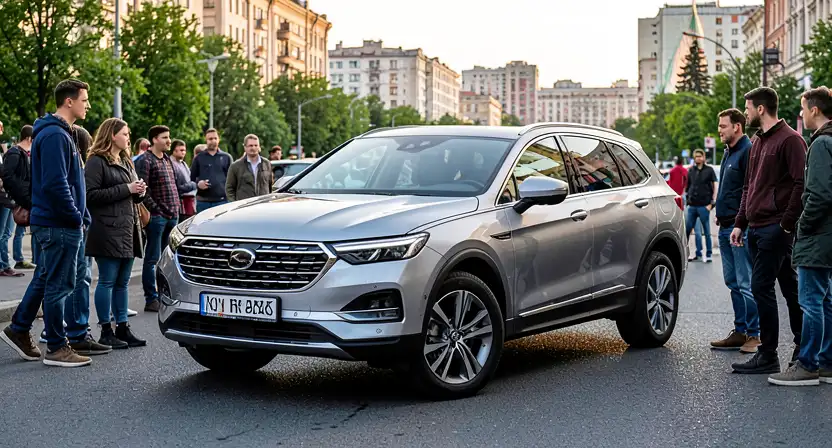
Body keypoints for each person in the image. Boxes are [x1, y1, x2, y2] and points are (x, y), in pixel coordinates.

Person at [1, 78, 112, 368]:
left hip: (59, 221)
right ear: (69, 101)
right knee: (59, 284)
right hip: (59, 223)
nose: (88, 105)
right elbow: (55, 184)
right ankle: (57, 347)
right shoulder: (54, 135)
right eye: (84, 100)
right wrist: (75, 216)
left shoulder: (61, 133)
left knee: (45, 278)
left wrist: (80, 215)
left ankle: (19, 328)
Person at [730, 87, 806, 375]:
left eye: (748, 108)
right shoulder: (757, 141)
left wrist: (786, 224)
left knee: (761, 286)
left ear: (760, 109)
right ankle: (802, 346)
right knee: (789, 287)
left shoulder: (791, 140)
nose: (746, 113)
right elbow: (749, 186)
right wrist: (740, 222)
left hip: (775, 227)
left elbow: (800, 184)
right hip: (756, 227)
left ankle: (768, 354)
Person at [768, 86, 832, 386]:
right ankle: (827, 363)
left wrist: (801, 225)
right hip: (827, 235)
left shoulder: (820, 144)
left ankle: (807, 365)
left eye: (803, 108)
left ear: (814, 110)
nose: (801, 113)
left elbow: (819, 194)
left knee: (811, 302)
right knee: (825, 300)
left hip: (817, 235)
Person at [84, 118, 148, 349]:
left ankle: (122, 327)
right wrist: (127, 188)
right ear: (112, 135)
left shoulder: (126, 160)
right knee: (107, 281)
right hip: (107, 229)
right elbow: (90, 195)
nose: (128, 138)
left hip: (128, 228)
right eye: (125, 133)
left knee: (122, 282)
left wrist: (139, 192)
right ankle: (105, 330)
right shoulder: (96, 161)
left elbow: (129, 196)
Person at [709, 108, 760, 354]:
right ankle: (740, 331)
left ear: (737, 126)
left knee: (745, 282)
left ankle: (754, 334)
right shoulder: (729, 151)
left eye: (723, 126)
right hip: (726, 226)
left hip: (739, 228)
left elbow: (749, 190)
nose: (719, 130)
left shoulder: (747, 151)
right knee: (733, 282)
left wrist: (740, 223)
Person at [134, 125, 180, 312]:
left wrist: (175, 209)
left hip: (172, 216)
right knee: (152, 259)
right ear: (154, 139)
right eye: (165, 137)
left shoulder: (167, 159)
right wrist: (157, 210)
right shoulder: (145, 160)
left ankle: (164, 295)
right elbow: (143, 190)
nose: (169, 141)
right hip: (157, 218)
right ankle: (151, 299)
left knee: (168, 260)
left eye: (169, 137)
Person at [2, 125, 38, 269]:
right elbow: (9, 177)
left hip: (19, 198)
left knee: (16, 231)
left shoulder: (23, 153)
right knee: (6, 233)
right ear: (29, 138)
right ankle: (5, 264)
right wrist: (20, 195)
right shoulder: (15, 153)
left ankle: (14, 260)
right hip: (13, 199)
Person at [685, 149, 717, 262]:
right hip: (692, 206)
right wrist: (687, 200)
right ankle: (688, 254)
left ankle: (708, 254)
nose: (698, 158)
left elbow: (715, 185)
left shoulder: (709, 170)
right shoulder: (691, 170)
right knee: (687, 231)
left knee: (707, 232)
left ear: (703, 157)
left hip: (704, 205)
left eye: (700, 156)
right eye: (696, 156)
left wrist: (712, 203)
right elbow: (688, 186)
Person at [190, 128, 232, 213]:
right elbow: (191, 178)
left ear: (219, 139)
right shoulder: (199, 158)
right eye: (210, 139)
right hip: (203, 202)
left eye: (215, 138)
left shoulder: (226, 157)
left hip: (222, 201)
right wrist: (198, 184)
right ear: (206, 140)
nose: (213, 141)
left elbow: (232, 179)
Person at [226, 134, 274, 202]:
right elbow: (229, 189)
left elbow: (270, 186)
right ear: (245, 147)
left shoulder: (267, 163)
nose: (253, 148)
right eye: (250, 145)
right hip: (244, 206)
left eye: (256, 145)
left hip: (263, 204)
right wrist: (235, 204)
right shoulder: (235, 166)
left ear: (259, 147)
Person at [0, 150, 23, 277]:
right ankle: (3, 265)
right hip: (3, 198)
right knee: (2, 233)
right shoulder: (10, 154)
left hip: (9, 198)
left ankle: (5, 264)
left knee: (7, 233)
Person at [170, 139, 197, 222]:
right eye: (181, 150)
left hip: (189, 202)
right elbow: (175, 187)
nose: (184, 152)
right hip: (179, 203)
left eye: (184, 150)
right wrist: (193, 185)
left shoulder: (183, 163)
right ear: (174, 150)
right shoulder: (170, 164)